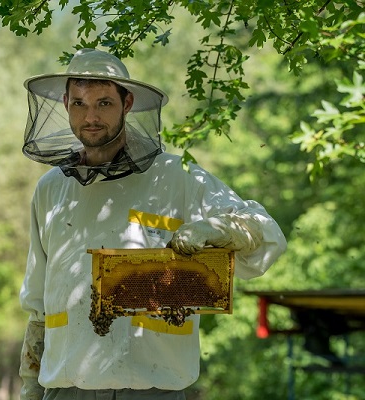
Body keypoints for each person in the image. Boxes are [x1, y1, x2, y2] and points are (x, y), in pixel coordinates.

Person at [18, 48, 287, 400]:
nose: (91, 116)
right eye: (80, 103)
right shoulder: (50, 189)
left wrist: (215, 230)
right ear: (66, 103)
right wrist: (29, 385)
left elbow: (266, 233)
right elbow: (38, 303)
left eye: (104, 103)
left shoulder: (176, 176)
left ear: (127, 104)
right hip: (66, 388)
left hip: (153, 387)